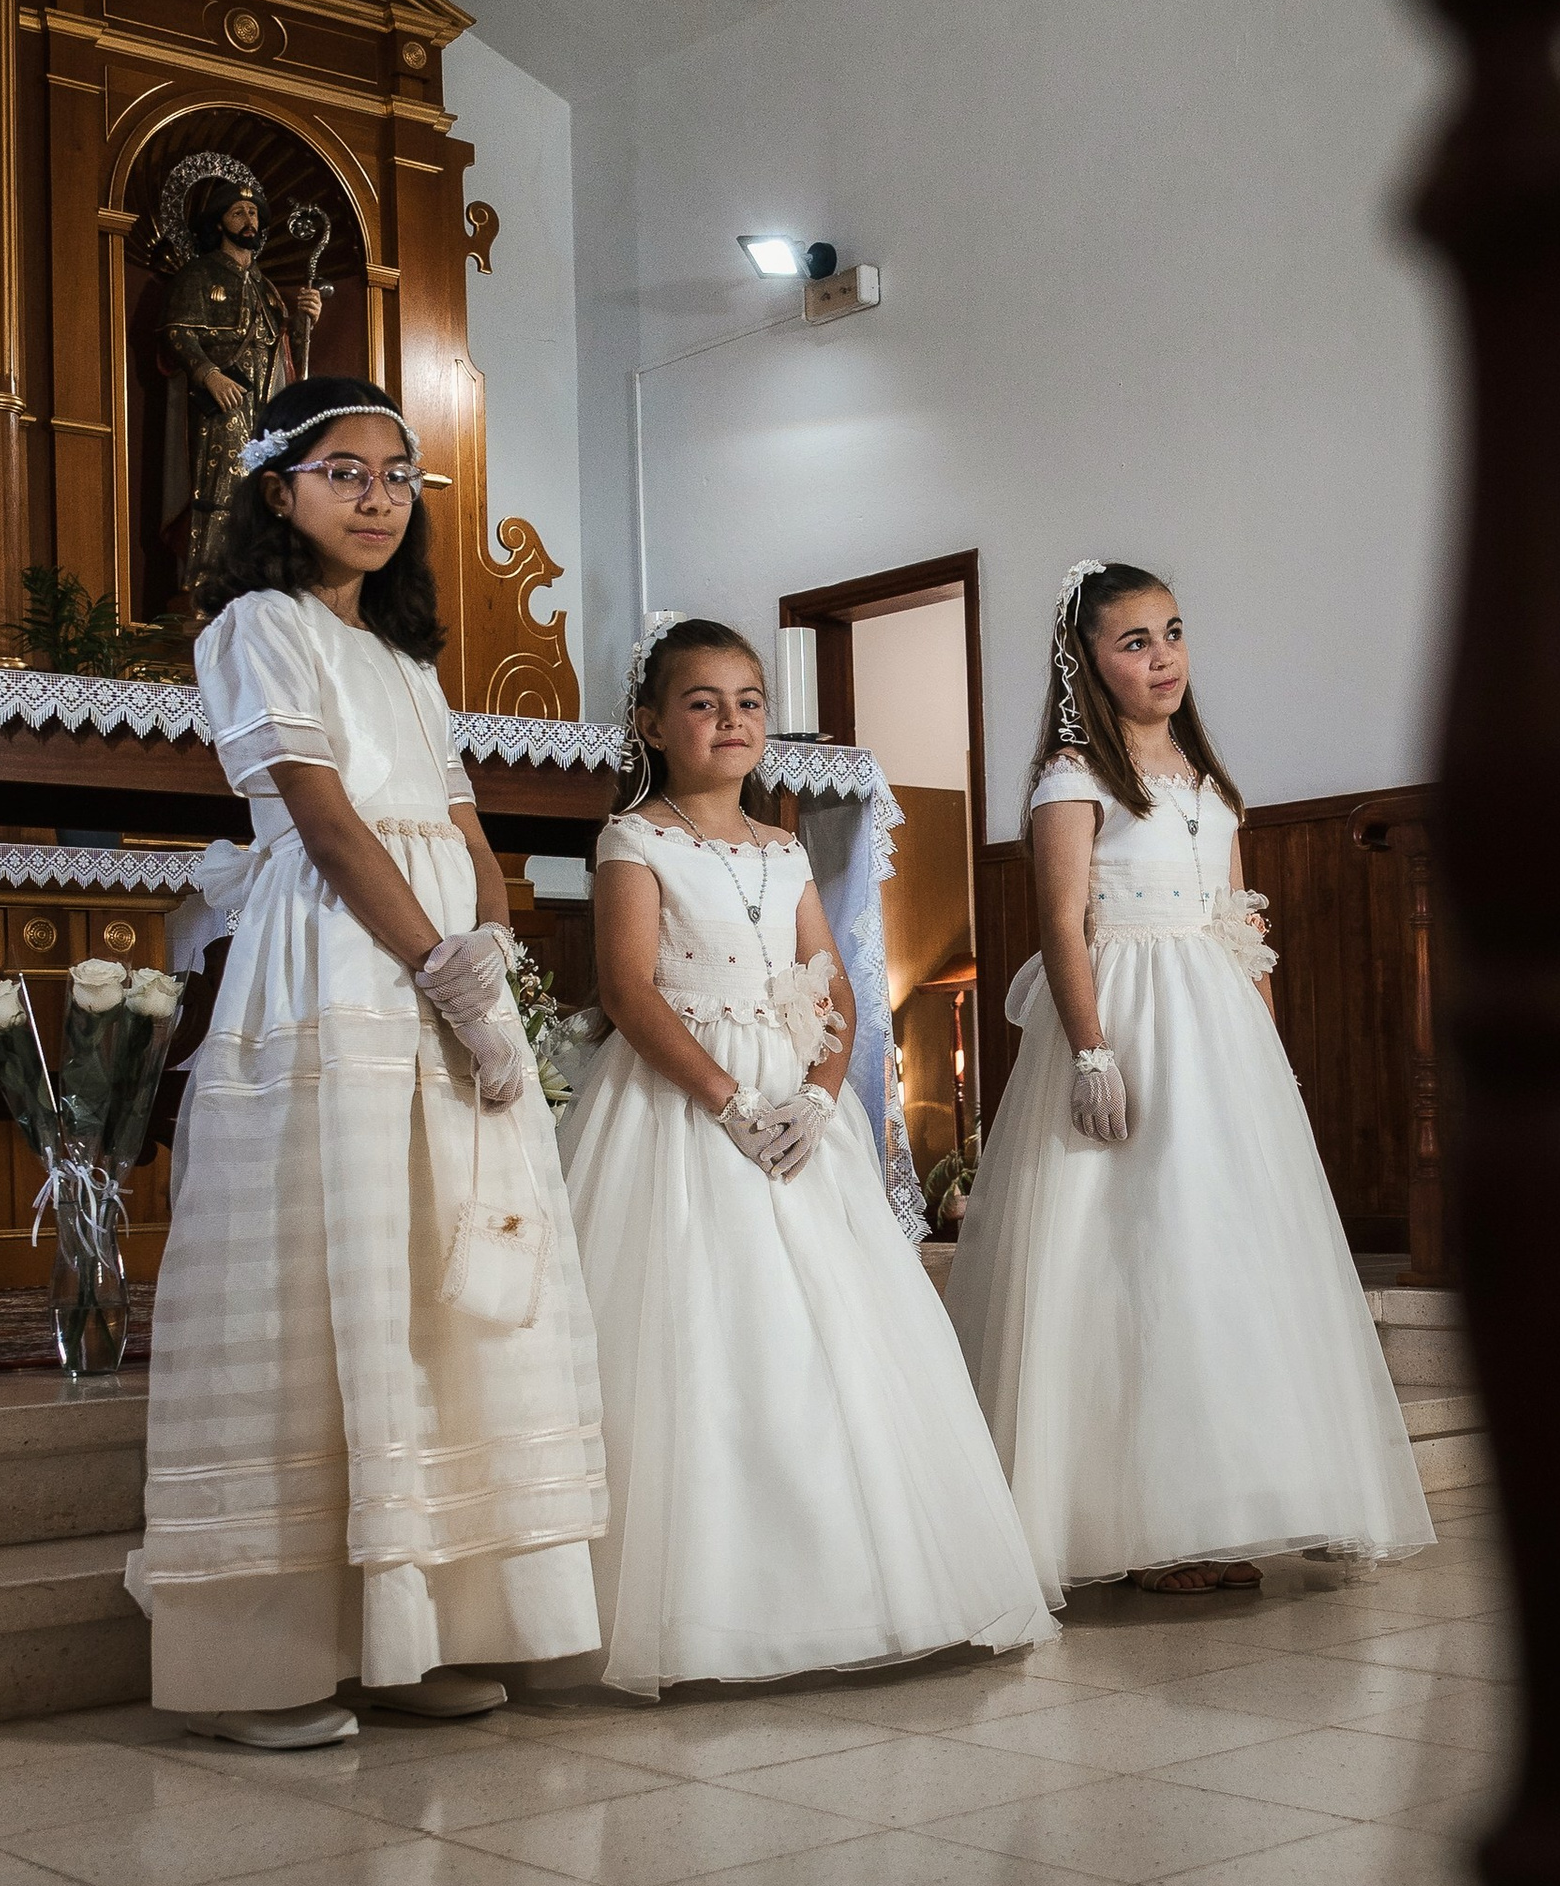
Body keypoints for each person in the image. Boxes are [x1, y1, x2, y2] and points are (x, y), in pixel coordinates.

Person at [129, 376, 609, 1745]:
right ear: (277, 487)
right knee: (321, 1271)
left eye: (399, 476)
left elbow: (464, 830)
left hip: (439, 977)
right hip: (339, 963)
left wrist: (496, 970)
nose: (379, 497)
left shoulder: (404, 657)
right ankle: (265, 1665)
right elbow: (332, 828)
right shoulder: (254, 626)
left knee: (425, 1280)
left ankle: (413, 1632)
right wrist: (439, 966)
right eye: (347, 471)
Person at [562, 615, 1052, 1697]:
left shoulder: (781, 847)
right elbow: (629, 991)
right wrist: (729, 1101)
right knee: (698, 1330)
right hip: (685, 1102)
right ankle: (699, 1606)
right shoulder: (633, 841)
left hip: (793, 1095)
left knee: (835, 1334)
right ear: (650, 723)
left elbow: (831, 983)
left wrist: (822, 1099)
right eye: (702, 702)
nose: (730, 720)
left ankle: (867, 1587)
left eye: (747, 702)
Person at [948, 558, 1434, 1602]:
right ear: (1086, 659)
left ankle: (1229, 1503)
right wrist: (1088, 1049)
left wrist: (1271, 1062)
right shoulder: (1072, 781)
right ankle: (1136, 1526)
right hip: (1126, 1016)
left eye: (1171, 633)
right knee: (1126, 1254)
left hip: (1214, 1030)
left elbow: (1235, 929)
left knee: (1217, 1257)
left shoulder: (1210, 789)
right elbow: (1062, 928)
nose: (1161, 657)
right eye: (1133, 641)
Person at [161, 164, 317, 599]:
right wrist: (208, 374)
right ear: (218, 223)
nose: (248, 221)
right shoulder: (199, 274)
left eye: (253, 214)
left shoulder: (266, 287)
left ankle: (257, 586)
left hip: (265, 404)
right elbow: (178, 332)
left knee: (263, 492)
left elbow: (285, 354)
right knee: (221, 489)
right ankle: (204, 589)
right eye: (238, 213)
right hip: (223, 401)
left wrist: (306, 319)